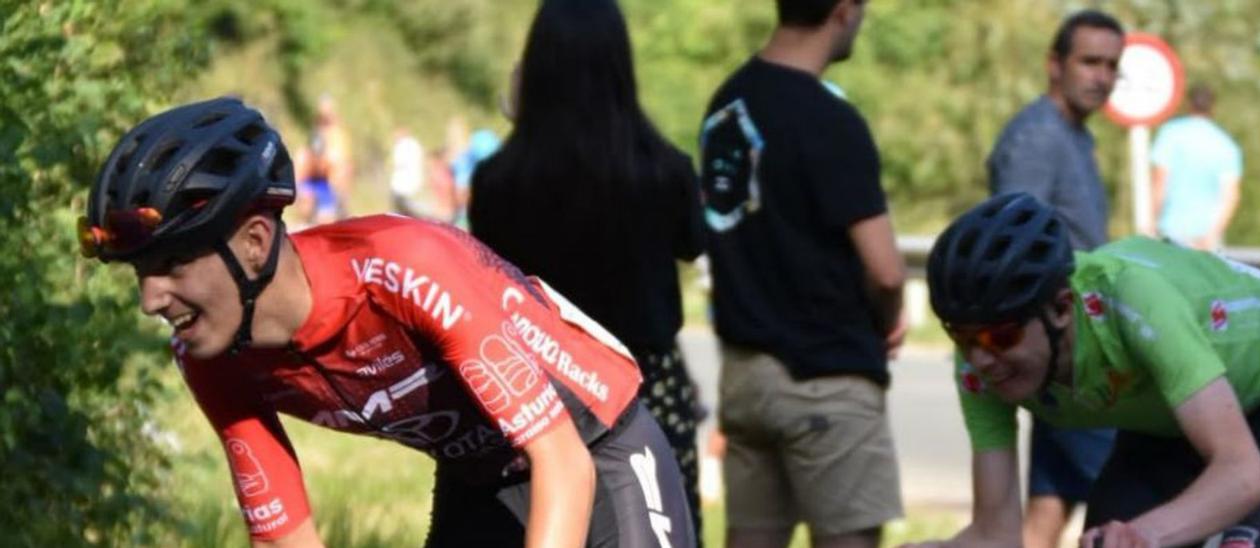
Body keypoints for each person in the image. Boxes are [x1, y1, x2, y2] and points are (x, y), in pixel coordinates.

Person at [77, 97, 696, 548]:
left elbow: (562, 463)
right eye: (139, 273)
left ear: (255, 241)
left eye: (173, 263)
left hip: (597, 445)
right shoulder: (210, 354)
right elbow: (282, 537)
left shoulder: (405, 268)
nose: (151, 299)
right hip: (478, 479)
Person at [915, 192, 1260, 547]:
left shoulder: (1133, 300)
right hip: (1171, 423)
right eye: (961, 336)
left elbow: (1242, 476)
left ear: (1060, 308)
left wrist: (1146, 535)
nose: (981, 359)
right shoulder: (980, 364)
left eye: (1002, 335)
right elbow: (995, 535)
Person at [469, 0, 707, 544]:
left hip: (534, 390)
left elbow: (484, 281)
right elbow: (694, 244)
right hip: (646, 390)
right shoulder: (663, 171)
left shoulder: (500, 180)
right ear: (621, 67)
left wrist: (515, 114)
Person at [698, 0, 907, 546]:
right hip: (826, 378)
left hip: (745, 377)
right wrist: (889, 321)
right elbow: (885, 270)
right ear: (843, 11)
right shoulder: (831, 120)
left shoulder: (725, 105)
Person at [984, 10, 1124, 547]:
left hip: (1072, 350)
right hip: (1066, 358)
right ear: (1054, 65)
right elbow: (1013, 252)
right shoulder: (1037, 139)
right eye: (1090, 61)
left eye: (1113, 65)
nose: (1102, 76)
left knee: (1048, 505)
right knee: (1137, 499)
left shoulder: (1074, 137)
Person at [1149, 83, 1244, 251]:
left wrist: (1151, 223)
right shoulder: (1226, 144)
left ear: (1189, 104)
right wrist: (1213, 233)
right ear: (1213, 107)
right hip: (1207, 239)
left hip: (1170, 232)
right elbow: (1230, 196)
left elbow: (1159, 183)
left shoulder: (1171, 133)